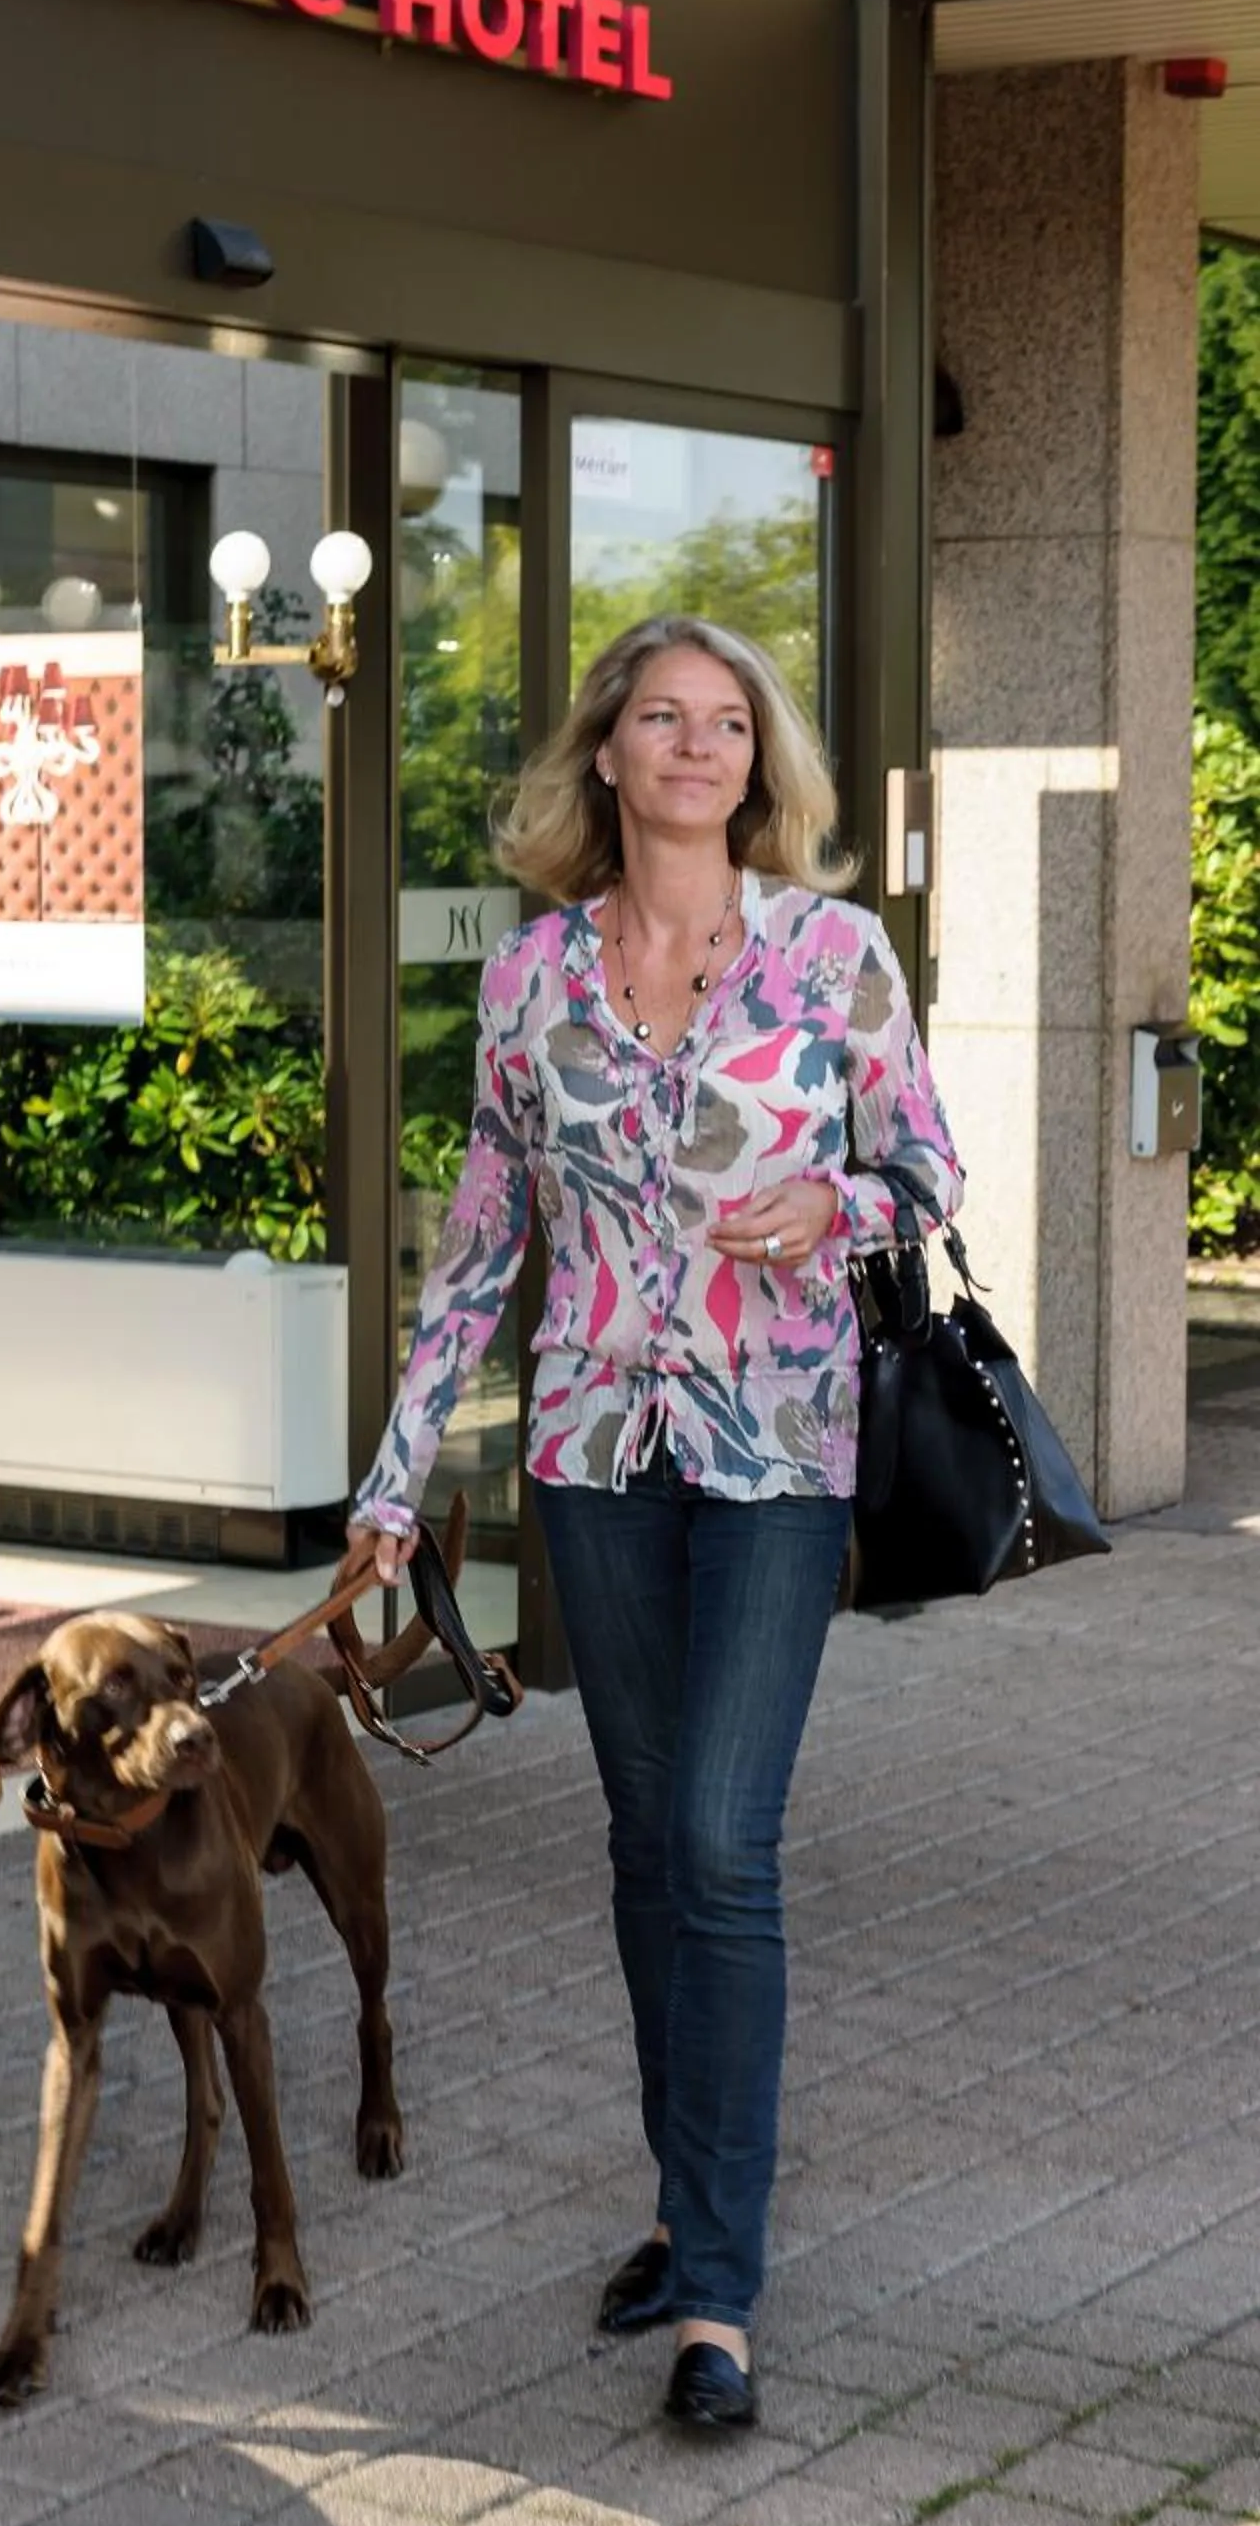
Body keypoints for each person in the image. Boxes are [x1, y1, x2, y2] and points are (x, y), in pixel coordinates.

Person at [343, 613, 962, 2432]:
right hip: (595, 1456)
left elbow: (924, 1169)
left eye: (727, 723)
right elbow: (478, 1246)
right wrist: (396, 1482)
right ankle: (688, 2210)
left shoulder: (838, 957)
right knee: (638, 1848)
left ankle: (722, 2304)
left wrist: (833, 1206)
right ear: (605, 757)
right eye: (660, 719)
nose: (696, 747)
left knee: (720, 1840)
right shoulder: (533, 981)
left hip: (778, 1455)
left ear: (758, 763)